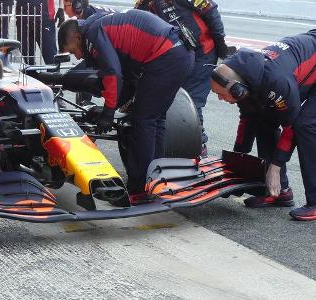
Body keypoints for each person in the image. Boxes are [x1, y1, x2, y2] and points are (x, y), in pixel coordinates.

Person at [58, 10, 194, 203]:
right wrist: (109, 108)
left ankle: (138, 188)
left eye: (73, 50)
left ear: (77, 37)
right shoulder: (99, 23)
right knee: (155, 119)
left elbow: (113, 74)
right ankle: (154, 179)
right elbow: (128, 78)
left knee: (143, 120)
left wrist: (108, 112)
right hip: (181, 54)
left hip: (167, 56)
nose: (77, 56)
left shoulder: (93, 33)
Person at [210, 29, 316, 221]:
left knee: (305, 126)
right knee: (264, 120)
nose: (220, 98)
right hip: (300, 65)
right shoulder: (244, 82)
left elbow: (289, 126)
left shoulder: (277, 82)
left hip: (305, 70)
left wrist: (275, 167)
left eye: (221, 94)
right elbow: (248, 118)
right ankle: (279, 191)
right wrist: (236, 160)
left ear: (237, 88)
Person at [135, 0, 232, 157]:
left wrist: (221, 43)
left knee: (192, 100)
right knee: (171, 97)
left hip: (203, 53)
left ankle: (199, 145)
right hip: (178, 53)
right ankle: (176, 142)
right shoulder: (146, 4)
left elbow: (211, 10)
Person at [60, 0, 116, 106]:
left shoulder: (90, 18)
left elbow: (92, 57)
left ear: (77, 6)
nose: (64, 9)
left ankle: (85, 104)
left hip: (112, 49)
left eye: (66, 5)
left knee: (80, 76)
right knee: (80, 74)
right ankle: (85, 103)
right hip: (110, 47)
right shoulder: (84, 14)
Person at [16, 0, 62, 65]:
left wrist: (61, 8)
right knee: (27, 58)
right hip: (22, 15)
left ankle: (54, 74)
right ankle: (30, 73)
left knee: (51, 58)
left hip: (44, 16)